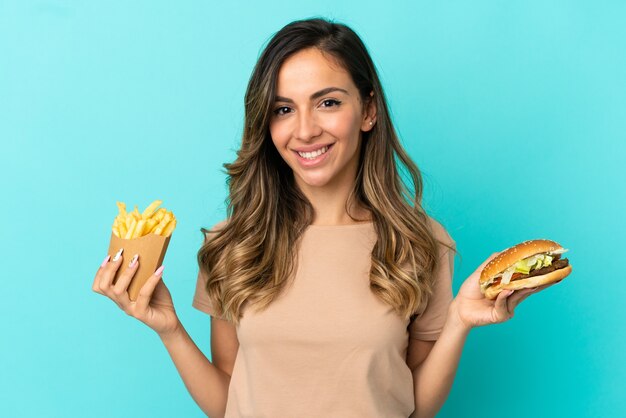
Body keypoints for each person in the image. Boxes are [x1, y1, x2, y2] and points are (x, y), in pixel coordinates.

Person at [92, 17, 553, 418]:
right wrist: (170, 330)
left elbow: (413, 405)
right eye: (284, 109)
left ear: (368, 110)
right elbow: (230, 402)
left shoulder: (422, 242)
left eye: (328, 102)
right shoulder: (232, 242)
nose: (305, 129)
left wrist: (458, 322)